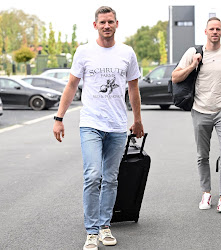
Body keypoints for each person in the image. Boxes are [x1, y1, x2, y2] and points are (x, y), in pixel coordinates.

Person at [53, 6, 144, 250]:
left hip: (116, 125)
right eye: (102, 22)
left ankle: (105, 227)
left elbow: (133, 89)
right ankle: (91, 231)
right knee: (93, 175)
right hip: (91, 124)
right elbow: (72, 85)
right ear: (95, 25)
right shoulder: (84, 52)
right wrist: (59, 118)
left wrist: (137, 120)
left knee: (111, 178)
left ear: (117, 24)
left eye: (110, 22)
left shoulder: (127, 53)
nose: (106, 26)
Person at [172, 17, 221, 215]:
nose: (214, 32)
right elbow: (175, 77)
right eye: (211, 29)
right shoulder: (194, 52)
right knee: (202, 155)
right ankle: (206, 192)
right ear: (205, 32)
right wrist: (192, 65)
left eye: (218, 29)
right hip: (200, 110)